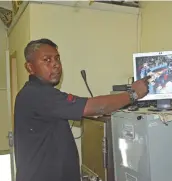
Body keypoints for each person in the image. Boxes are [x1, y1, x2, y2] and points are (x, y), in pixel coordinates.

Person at [13, 38, 150, 181]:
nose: (56, 65)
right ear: (30, 67)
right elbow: (93, 106)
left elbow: (93, 107)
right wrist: (133, 94)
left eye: (57, 59)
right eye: (47, 60)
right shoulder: (36, 94)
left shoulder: (38, 94)